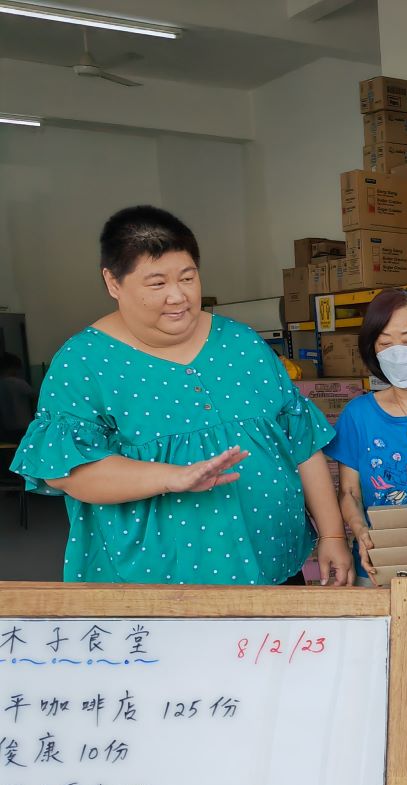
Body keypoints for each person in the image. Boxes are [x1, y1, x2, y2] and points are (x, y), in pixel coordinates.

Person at [8, 205, 350, 586]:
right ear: (113, 283)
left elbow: (300, 442)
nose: (178, 296)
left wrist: (332, 534)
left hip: (273, 567)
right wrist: (172, 477)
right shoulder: (84, 363)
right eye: (157, 284)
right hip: (155, 585)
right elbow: (70, 473)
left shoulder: (242, 343)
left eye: (188, 278)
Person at [325, 288, 407, 578]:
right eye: (385, 343)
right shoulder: (358, 415)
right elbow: (349, 492)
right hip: (380, 565)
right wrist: (360, 529)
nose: (399, 353)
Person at [0, 352, 36, 443]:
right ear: (13, 367)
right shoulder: (19, 383)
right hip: (23, 424)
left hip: (6, 426)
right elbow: (36, 398)